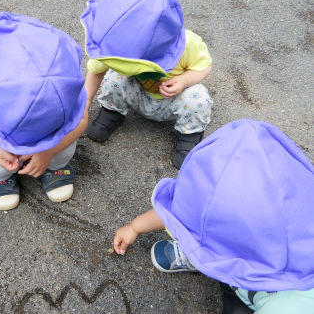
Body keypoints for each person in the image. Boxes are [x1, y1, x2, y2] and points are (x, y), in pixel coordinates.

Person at [112, 120, 314, 313]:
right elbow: (186, 212)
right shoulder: (290, 216)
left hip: (259, 298)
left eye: (205, 239)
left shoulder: (291, 305)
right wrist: (135, 227)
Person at [0, 12, 87, 211]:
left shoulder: (65, 88)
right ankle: (0, 178)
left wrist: (49, 150)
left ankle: (54, 166)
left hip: (48, 146)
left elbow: (82, 120)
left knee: (63, 149)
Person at [81, 0, 213, 168]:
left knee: (198, 97)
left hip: (174, 101)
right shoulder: (114, 43)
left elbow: (203, 66)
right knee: (113, 77)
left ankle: (189, 133)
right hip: (138, 95)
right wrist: (85, 102)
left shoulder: (188, 42)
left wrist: (184, 81)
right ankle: (112, 112)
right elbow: (96, 70)